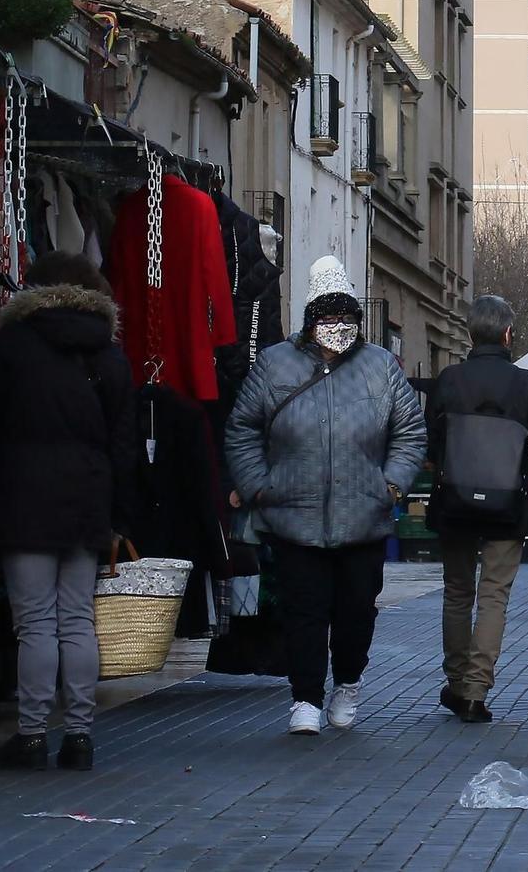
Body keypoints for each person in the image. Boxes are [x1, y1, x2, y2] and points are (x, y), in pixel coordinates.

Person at [227, 255, 426, 737]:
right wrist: (259, 485)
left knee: (357, 611)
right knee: (304, 611)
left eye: (345, 318)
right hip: (294, 514)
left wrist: (392, 484)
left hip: (364, 514)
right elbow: (243, 429)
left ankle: (349, 684)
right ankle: (305, 698)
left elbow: (410, 432)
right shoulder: (276, 363)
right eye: (327, 317)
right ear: (311, 320)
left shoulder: (380, 366)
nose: (337, 327)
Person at [0, 253, 137, 772]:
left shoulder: (11, 346)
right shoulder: (110, 356)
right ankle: (79, 737)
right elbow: (124, 445)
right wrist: (118, 516)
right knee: (77, 620)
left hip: (24, 497)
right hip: (88, 500)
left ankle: (30, 736)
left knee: (34, 624)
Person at [426, 295, 528, 723]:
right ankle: (477, 690)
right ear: (507, 333)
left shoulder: (449, 380)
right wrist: (518, 467)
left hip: (456, 503)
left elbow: (432, 441)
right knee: (494, 596)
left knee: (457, 593)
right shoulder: (525, 384)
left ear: (469, 333)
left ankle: (457, 680)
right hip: (506, 505)